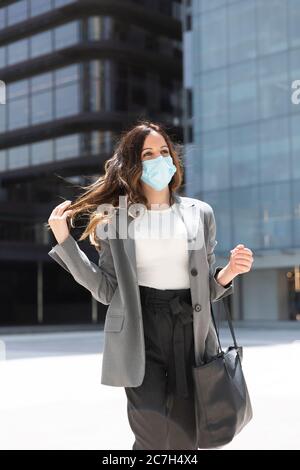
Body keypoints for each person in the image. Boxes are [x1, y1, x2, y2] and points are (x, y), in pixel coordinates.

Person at [46, 120, 254, 450]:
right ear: (133, 164)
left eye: (164, 151)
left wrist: (228, 271)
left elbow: (207, 289)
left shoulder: (199, 213)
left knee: (186, 438)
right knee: (152, 435)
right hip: (140, 330)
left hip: (190, 330)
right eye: (148, 153)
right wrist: (65, 242)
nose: (159, 159)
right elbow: (107, 289)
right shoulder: (115, 216)